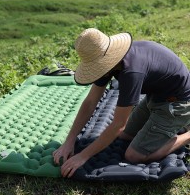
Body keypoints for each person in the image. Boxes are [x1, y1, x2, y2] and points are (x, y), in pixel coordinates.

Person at [53, 28, 190, 178]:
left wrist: (82, 156)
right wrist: (69, 140)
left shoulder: (131, 72)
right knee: (126, 136)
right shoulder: (107, 61)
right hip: (156, 97)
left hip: (178, 103)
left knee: (134, 156)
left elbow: (118, 124)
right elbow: (90, 102)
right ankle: (171, 127)